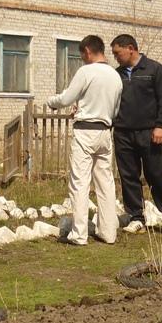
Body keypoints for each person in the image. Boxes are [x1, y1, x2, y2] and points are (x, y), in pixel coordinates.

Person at [47, 35, 123, 246]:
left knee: (79, 183)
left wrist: (51, 102)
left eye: (82, 55)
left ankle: (79, 234)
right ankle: (109, 232)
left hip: (85, 132)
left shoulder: (86, 71)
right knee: (105, 183)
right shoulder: (115, 76)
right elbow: (115, 109)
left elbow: (66, 99)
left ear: (88, 51)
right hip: (106, 132)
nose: (82, 59)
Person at [110, 34, 162, 236]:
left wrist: (161, 125)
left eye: (117, 52)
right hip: (123, 133)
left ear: (131, 48)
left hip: (149, 133)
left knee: (157, 174)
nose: (115, 56)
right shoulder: (116, 74)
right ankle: (136, 217)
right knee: (128, 176)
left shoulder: (153, 69)